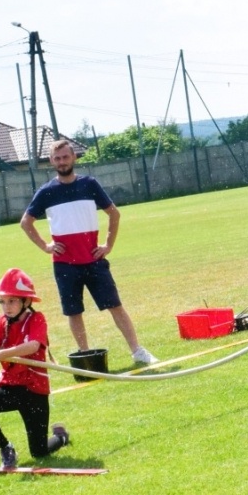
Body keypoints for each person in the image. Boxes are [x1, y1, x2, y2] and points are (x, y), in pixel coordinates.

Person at [21, 138, 156, 368]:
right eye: (57, 158)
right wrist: (46, 246)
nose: (62, 162)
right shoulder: (46, 192)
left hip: (94, 260)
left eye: (65, 157)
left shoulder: (90, 184)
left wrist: (108, 245)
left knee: (115, 306)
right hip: (64, 264)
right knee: (74, 312)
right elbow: (26, 222)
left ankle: (138, 351)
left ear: (74, 157)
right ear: (52, 162)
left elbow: (114, 214)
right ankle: (85, 357)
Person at [0, 268, 70, 472]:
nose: (6, 307)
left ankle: (61, 437)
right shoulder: (0, 322)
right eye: (3, 301)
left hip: (34, 392)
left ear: (26, 301)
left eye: (12, 301)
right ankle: (6, 448)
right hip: (11, 388)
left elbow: (33, 346)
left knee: (39, 452)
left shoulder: (37, 319)